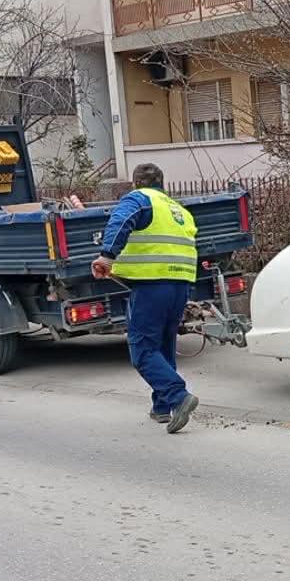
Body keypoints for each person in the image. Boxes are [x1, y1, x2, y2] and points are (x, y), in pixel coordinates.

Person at [91, 163, 201, 434]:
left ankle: (178, 397)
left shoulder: (139, 199)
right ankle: (162, 407)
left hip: (152, 285)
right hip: (180, 285)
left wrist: (107, 256)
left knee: (142, 349)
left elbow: (120, 222)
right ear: (162, 183)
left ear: (136, 183)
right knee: (163, 345)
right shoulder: (178, 210)